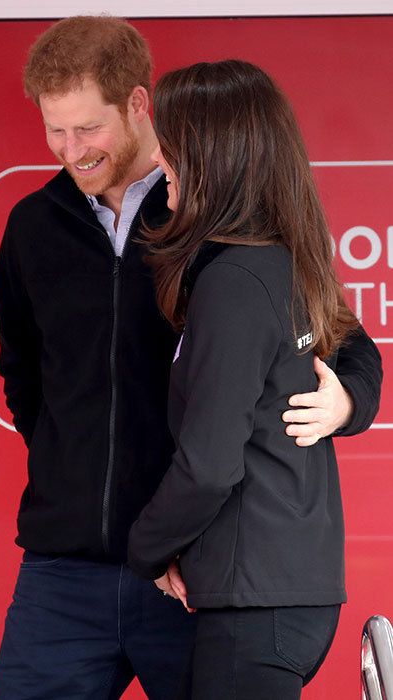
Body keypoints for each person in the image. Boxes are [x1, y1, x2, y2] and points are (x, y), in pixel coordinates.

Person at [0, 16, 381, 700]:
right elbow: (22, 374)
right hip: (63, 570)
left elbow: (341, 338)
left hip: (189, 569)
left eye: (87, 128)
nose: (69, 149)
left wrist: (348, 400)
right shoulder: (30, 227)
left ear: (140, 106)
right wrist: (67, 461)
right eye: (55, 129)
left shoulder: (210, 216)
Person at [127, 59, 381, 699]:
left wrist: (146, 549)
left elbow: (209, 464)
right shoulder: (278, 263)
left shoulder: (235, 283)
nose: (161, 161)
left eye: (174, 146)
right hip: (283, 597)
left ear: (217, 158)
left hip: (258, 606)